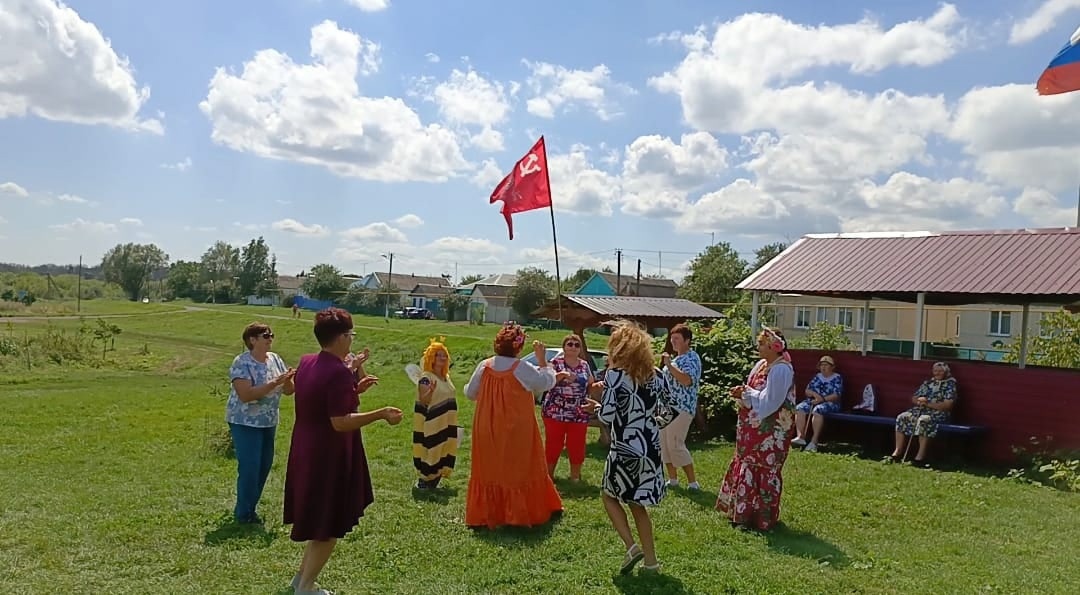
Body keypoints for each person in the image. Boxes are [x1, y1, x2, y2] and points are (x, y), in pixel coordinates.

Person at [283, 308, 403, 595]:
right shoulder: (337, 371)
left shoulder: (308, 362)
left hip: (306, 448)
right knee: (328, 525)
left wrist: (354, 390)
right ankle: (307, 588)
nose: (351, 340)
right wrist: (381, 413)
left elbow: (322, 398)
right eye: (350, 335)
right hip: (327, 454)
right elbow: (339, 422)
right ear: (339, 338)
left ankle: (301, 580)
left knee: (319, 521)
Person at [585, 320, 673, 575]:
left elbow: (609, 416)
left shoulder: (615, 376)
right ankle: (651, 562)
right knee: (637, 503)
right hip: (650, 447)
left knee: (608, 495)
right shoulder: (656, 375)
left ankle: (631, 546)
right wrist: (651, 424)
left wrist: (597, 409)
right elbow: (671, 409)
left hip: (625, 447)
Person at [464, 321, 566, 529]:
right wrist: (543, 362)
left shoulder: (484, 365)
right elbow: (544, 383)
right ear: (518, 347)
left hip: (486, 424)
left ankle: (488, 512)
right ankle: (517, 513)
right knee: (518, 467)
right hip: (516, 426)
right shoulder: (521, 367)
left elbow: (470, 393)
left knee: (489, 467)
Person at [716, 327, 796, 532]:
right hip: (752, 428)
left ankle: (762, 519)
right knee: (747, 465)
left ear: (773, 346)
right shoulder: (761, 365)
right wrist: (741, 393)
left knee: (764, 469)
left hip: (771, 433)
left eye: (762, 343)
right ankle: (741, 514)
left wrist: (748, 393)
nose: (758, 347)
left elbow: (771, 402)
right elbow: (754, 393)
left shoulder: (781, 369)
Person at [225, 322, 294, 524]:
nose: (270, 338)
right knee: (250, 466)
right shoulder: (242, 362)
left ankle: (249, 508)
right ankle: (244, 514)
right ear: (252, 340)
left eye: (272, 335)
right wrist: (275, 382)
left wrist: (289, 379)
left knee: (264, 465)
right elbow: (245, 395)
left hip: (268, 421)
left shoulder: (275, 359)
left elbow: (289, 391)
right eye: (266, 335)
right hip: (244, 421)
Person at [542, 334, 595, 482]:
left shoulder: (584, 365)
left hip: (578, 411)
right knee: (554, 443)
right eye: (569, 344)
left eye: (576, 345)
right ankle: (548, 475)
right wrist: (562, 375)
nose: (573, 347)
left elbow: (591, 383)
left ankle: (575, 477)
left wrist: (594, 387)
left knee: (577, 444)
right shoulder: (556, 362)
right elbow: (548, 380)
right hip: (556, 410)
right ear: (564, 347)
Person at [659, 323, 703, 490]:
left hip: (682, 407)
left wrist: (669, 366)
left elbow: (687, 380)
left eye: (677, 338)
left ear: (687, 340)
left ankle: (692, 482)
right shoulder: (675, 359)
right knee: (663, 444)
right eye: (672, 338)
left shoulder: (692, 358)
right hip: (665, 407)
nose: (673, 341)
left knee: (675, 443)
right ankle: (673, 479)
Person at [889, 362, 958, 467]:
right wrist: (919, 400)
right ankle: (897, 452)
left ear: (946, 372)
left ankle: (920, 457)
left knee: (924, 420)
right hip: (921, 409)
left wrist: (928, 404)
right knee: (902, 417)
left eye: (940, 371)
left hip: (938, 413)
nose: (937, 373)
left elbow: (948, 405)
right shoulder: (928, 383)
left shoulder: (950, 385)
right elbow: (914, 397)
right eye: (935, 371)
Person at [413, 337, 459, 489]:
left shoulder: (446, 378)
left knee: (445, 448)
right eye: (438, 355)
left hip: (447, 421)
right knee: (432, 449)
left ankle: (436, 479)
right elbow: (423, 400)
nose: (442, 358)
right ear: (431, 357)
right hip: (432, 422)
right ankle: (425, 481)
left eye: (444, 355)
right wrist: (430, 392)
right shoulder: (426, 378)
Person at [792, 355, 844, 453]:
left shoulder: (837, 378)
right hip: (814, 400)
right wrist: (815, 395)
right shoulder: (817, 377)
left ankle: (814, 441)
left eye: (826, 365)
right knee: (800, 408)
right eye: (821, 365)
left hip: (830, 403)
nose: (823, 367)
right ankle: (800, 436)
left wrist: (822, 399)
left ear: (832, 367)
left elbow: (837, 394)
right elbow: (807, 390)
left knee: (818, 410)